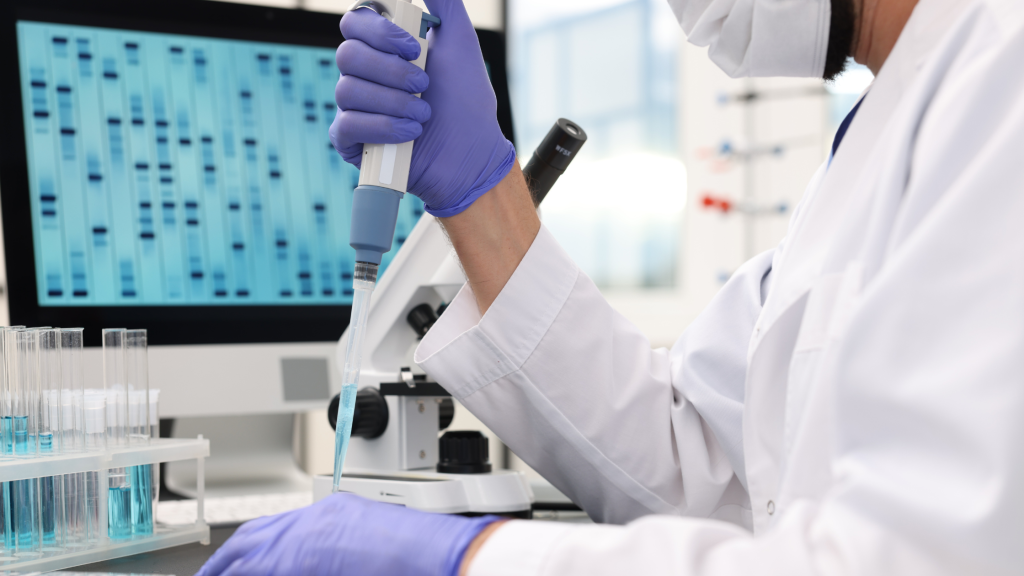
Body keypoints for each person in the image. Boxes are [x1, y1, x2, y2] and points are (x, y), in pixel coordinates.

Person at [197, 0, 1024, 572]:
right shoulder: (898, 119)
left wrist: (467, 562)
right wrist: (479, 190)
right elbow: (698, 471)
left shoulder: (1002, 74)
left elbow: (922, 559)